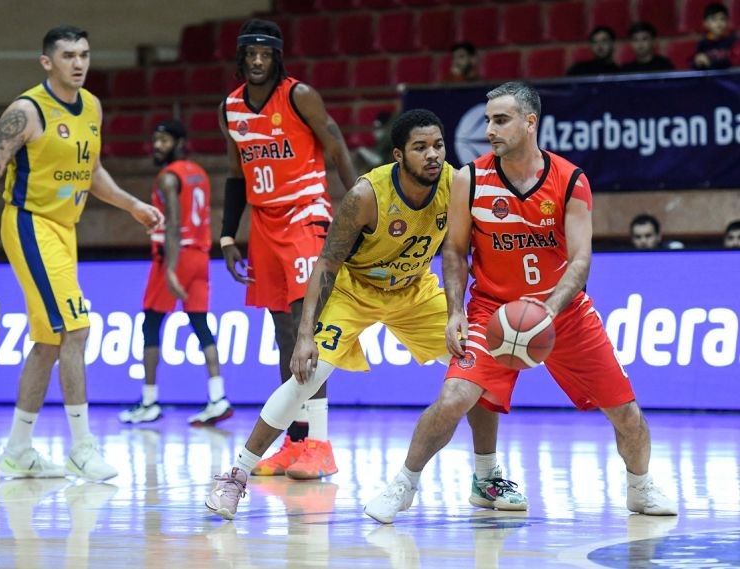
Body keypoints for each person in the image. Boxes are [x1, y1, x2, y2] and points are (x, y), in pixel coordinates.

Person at [363, 82, 677, 524]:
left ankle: (640, 488)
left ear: (530, 122)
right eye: (487, 120)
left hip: (563, 313)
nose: (489, 130)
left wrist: (548, 310)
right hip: (491, 310)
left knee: (627, 414)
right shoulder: (470, 179)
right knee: (453, 398)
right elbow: (454, 251)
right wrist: (455, 311)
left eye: (500, 120)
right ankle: (404, 484)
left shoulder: (570, 180)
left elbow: (580, 260)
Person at [206, 109, 526, 521]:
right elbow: (326, 263)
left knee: (476, 367)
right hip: (354, 291)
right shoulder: (367, 195)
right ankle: (235, 476)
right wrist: (304, 335)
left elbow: (456, 252)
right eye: (420, 147)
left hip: (414, 290)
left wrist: (456, 311)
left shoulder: (456, 183)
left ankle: (486, 477)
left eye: (438, 145)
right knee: (306, 379)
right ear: (398, 155)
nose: (433, 154)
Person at [0, 25, 164, 482]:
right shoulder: (26, 111)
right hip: (29, 223)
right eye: (68, 56)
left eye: (84, 54)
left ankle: (17, 451)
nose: (78, 63)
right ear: (47, 62)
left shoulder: (92, 107)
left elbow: (92, 172)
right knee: (77, 328)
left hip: (65, 229)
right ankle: (82, 448)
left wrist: (132, 204)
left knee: (48, 342)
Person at [217, 18, 358, 479]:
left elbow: (335, 146)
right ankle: (295, 442)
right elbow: (236, 174)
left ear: (276, 58)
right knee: (282, 334)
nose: (258, 61)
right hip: (263, 224)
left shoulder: (299, 96)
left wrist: (364, 206)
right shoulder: (230, 108)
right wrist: (227, 235)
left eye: (266, 54)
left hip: (304, 214)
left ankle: (320, 444)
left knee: (305, 325)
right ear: (242, 59)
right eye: (251, 54)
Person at [118, 120, 232, 426]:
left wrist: (169, 269)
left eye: (164, 140)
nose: (157, 146)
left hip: (174, 255)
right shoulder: (199, 173)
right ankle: (218, 397)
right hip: (200, 255)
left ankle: (149, 401)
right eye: (155, 139)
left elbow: (174, 224)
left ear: (180, 143)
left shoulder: (168, 177)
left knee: (151, 323)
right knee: (200, 324)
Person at [692, 2, 740, 70]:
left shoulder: (733, 41)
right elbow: (695, 67)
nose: (719, 23)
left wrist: (711, 63)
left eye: (722, 19)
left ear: (727, 22)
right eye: (714, 19)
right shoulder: (702, 43)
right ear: (705, 23)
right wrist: (698, 62)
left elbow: (732, 63)